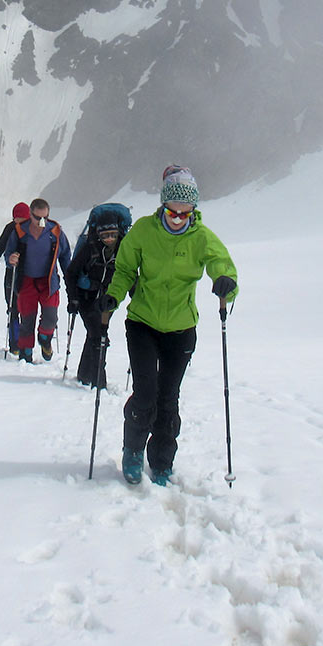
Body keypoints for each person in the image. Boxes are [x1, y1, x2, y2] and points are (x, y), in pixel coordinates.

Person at [102, 169, 237, 486]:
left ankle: (162, 461)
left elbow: (222, 265)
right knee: (146, 393)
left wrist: (225, 283)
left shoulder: (201, 237)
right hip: (143, 324)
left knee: (168, 397)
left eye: (184, 213)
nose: (177, 218)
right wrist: (113, 296)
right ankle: (132, 450)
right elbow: (123, 269)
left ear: (193, 211)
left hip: (181, 328)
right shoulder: (144, 231)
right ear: (163, 206)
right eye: (172, 211)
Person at [65, 208, 129, 388]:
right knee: (99, 336)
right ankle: (98, 381)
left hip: (108, 300)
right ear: (98, 233)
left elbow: (129, 272)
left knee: (95, 335)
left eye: (113, 234)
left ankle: (85, 374)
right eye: (105, 234)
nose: (109, 238)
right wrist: (73, 299)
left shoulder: (124, 246)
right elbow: (71, 273)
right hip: (86, 298)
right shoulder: (89, 247)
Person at [3, 198, 72, 363]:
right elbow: (9, 253)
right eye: (38, 218)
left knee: (50, 318)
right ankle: (26, 353)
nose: (42, 222)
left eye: (45, 218)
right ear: (30, 215)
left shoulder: (55, 232)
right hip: (26, 281)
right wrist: (11, 259)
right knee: (27, 319)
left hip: (48, 282)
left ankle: (45, 338)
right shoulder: (20, 232)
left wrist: (70, 278)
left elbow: (65, 257)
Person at [0, 203, 30, 353]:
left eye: (22, 219)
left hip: (24, 273)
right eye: (16, 219)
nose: (19, 222)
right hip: (11, 271)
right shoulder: (10, 228)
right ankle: (15, 343)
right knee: (12, 307)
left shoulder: (31, 229)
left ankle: (21, 343)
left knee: (22, 308)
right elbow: (2, 244)